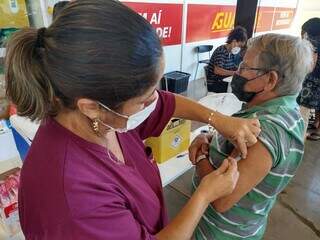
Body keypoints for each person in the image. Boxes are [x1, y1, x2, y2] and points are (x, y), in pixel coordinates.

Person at [4, 1, 260, 239]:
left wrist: (217, 119)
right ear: (92, 107)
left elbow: (165, 103)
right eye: (143, 99)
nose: (154, 101)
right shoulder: (73, 200)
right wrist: (204, 195)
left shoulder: (99, 118)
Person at [189, 33, 313, 239]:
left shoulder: (264, 130)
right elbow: (235, 153)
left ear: (271, 80)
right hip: (245, 225)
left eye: (244, 67)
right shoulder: (288, 111)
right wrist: (209, 139)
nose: (237, 73)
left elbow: (221, 199)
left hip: (220, 232)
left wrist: (201, 154)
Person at [297, 18, 320, 140]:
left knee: (303, 111)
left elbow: (311, 64)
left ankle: (298, 138)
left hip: (311, 83)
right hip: (316, 82)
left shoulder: (313, 42)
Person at [207, 26, 247, 93]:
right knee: (237, 90)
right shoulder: (221, 51)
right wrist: (235, 73)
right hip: (215, 83)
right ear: (234, 42)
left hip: (223, 81)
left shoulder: (231, 53)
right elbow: (217, 71)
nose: (240, 48)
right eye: (240, 46)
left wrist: (240, 70)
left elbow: (231, 67)